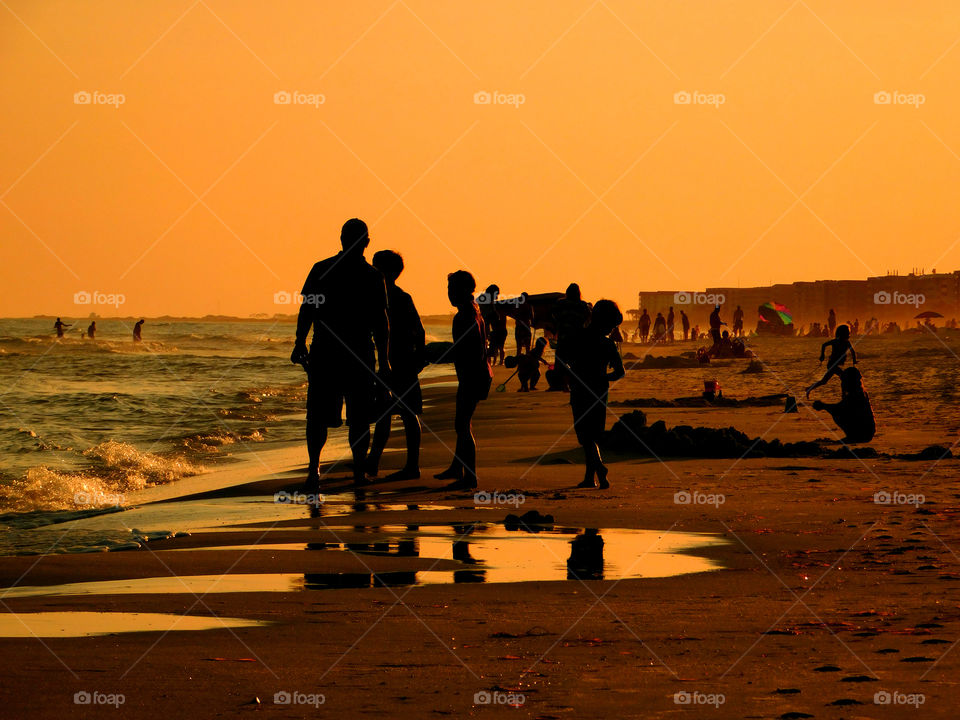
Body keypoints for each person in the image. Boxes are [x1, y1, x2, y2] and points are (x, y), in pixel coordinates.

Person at [291, 218, 391, 489]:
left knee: (319, 416)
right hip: (358, 353)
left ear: (341, 239)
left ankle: (314, 470)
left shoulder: (322, 269)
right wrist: (384, 360)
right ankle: (358, 471)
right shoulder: (372, 276)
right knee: (359, 417)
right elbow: (381, 322)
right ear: (366, 243)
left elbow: (306, 310)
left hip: (326, 352)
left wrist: (300, 342)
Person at [366, 250, 424, 481]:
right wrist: (419, 356)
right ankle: (376, 460)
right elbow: (419, 331)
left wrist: (418, 357)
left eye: (375, 267)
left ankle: (407, 465)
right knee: (390, 413)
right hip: (401, 361)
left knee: (398, 413)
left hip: (397, 362)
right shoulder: (400, 296)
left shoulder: (392, 297)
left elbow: (418, 331)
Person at [435, 271, 493, 489]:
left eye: (451, 289)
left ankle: (470, 476)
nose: (449, 294)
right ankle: (456, 467)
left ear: (461, 290)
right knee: (463, 422)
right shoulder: (474, 310)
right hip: (479, 374)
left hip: (472, 375)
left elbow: (465, 349)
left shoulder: (464, 316)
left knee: (462, 424)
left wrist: (436, 354)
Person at [568, 299, 625, 489]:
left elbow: (567, 359)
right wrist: (604, 377)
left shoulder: (580, 336)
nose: (611, 330)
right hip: (600, 390)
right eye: (611, 325)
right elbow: (620, 372)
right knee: (593, 433)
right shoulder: (608, 344)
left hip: (580, 388)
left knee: (585, 434)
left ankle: (600, 469)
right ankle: (590, 478)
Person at [813, 367, 875, 443]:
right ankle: (852, 435)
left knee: (838, 412)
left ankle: (853, 436)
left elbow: (840, 408)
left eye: (844, 381)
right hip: (867, 433)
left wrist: (823, 406)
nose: (842, 383)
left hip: (863, 434)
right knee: (838, 411)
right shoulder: (858, 390)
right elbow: (835, 369)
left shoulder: (856, 394)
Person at [551, 283, 591, 391]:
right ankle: (574, 383)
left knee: (562, 361)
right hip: (577, 337)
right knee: (576, 362)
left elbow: (554, 315)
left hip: (564, 336)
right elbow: (587, 318)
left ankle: (564, 384)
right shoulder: (582, 305)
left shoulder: (560, 303)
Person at [805, 324, 856, 399]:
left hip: (834, 365)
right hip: (832, 364)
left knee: (824, 381)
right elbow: (824, 345)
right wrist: (822, 355)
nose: (848, 334)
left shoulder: (846, 342)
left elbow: (853, 352)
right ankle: (844, 395)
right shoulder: (836, 341)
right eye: (847, 333)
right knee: (844, 378)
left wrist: (854, 360)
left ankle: (809, 389)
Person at [480, 285, 508, 366]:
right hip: (487, 326)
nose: (497, 296)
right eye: (497, 294)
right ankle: (486, 363)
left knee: (487, 346)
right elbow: (493, 316)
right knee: (487, 346)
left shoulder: (487, 301)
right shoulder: (489, 303)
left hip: (489, 327)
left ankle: (487, 363)